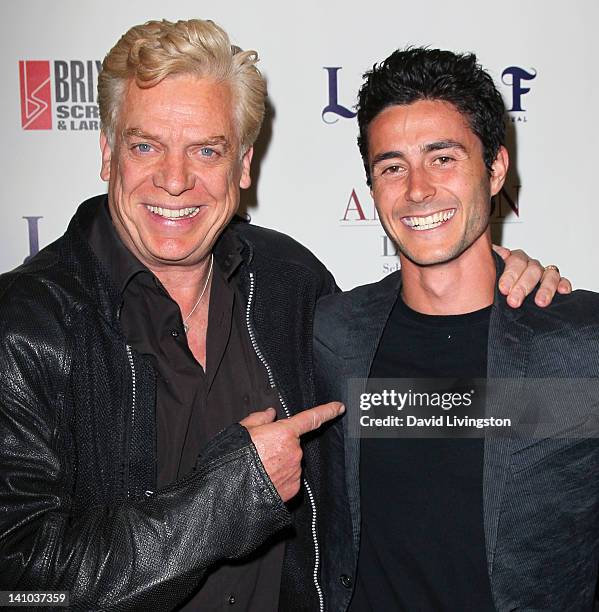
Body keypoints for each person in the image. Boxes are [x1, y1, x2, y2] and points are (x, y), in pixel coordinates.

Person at [0, 20, 569, 611]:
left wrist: (501, 283)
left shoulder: (287, 284)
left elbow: (433, 394)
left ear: (243, 166)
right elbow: (17, 585)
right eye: (146, 146)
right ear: (106, 153)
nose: (174, 180)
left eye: (206, 150)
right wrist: (225, 498)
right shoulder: (28, 324)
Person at [315, 47, 599, 611]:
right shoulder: (334, 334)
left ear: (495, 169)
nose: (417, 189)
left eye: (442, 158)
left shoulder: (581, 342)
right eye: (391, 166)